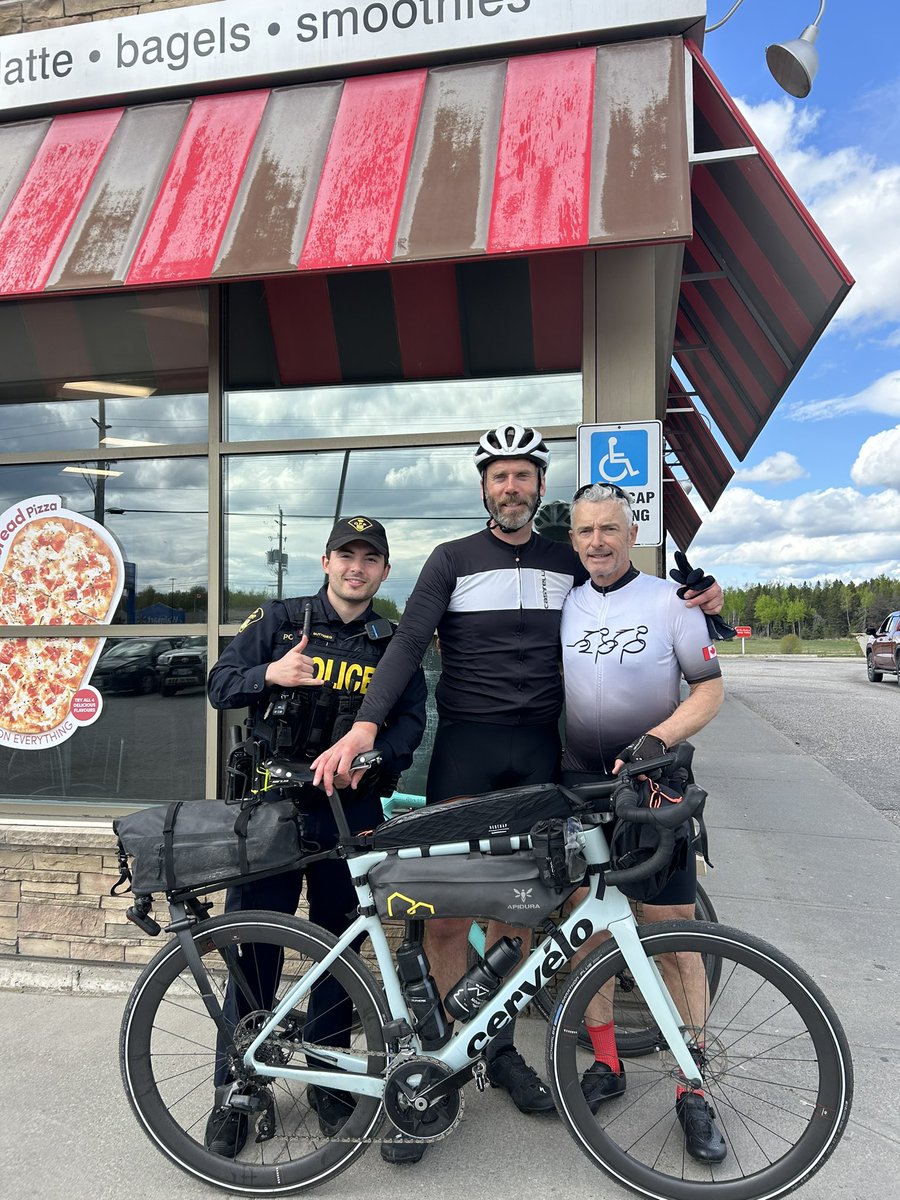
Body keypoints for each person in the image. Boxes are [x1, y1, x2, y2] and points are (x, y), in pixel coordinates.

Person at [313, 425, 725, 1149]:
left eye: (523, 476)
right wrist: (366, 728)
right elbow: (409, 645)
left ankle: (497, 1049)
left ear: (540, 487)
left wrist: (710, 603)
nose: (510, 488)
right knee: (442, 916)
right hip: (466, 751)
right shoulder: (451, 560)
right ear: (483, 487)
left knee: (520, 912)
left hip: (540, 755)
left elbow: (638, 597)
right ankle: (442, 1064)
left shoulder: (571, 560)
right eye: (498, 476)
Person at [205, 516, 427, 1162]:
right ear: (325, 561)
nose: (357, 567)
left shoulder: (394, 643)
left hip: (349, 813)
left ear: (384, 571)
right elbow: (220, 684)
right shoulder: (279, 620)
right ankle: (237, 1086)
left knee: (339, 947)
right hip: (271, 808)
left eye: (370, 558)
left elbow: (412, 721)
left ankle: (330, 1081)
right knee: (253, 948)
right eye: (346, 555)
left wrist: (379, 757)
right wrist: (270, 674)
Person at [560, 481, 726, 1163]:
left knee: (677, 942)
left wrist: (657, 740)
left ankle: (693, 1086)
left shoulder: (669, 601)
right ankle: (607, 1064)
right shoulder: (562, 604)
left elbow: (710, 688)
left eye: (609, 529)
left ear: (633, 534)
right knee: (587, 933)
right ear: (572, 541)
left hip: (652, 788)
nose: (597, 541)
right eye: (584, 531)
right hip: (576, 791)